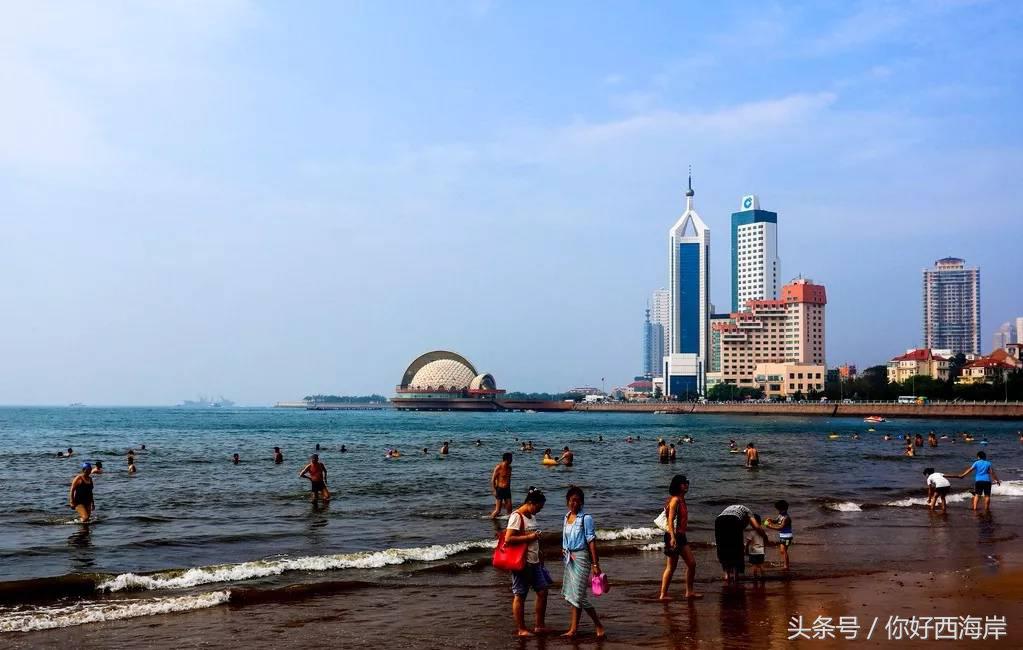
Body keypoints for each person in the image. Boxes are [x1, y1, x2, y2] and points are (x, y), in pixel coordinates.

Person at [560, 486, 605, 639]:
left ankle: (598, 625)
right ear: (567, 502)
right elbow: (565, 538)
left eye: (578, 501)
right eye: (572, 501)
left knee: (579, 596)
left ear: (582, 503)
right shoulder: (566, 517)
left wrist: (595, 564)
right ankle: (573, 629)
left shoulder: (586, 518)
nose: (575, 504)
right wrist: (564, 549)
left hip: (582, 558)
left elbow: (591, 541)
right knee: (573, 596)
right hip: (569, 558)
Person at [505, 487, 550, 637]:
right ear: (530, 502)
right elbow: (508, 539)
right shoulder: (516, 516)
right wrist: (530, 538)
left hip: (535, 562)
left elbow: (533, 537)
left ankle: (539, 626)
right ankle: (521, 629)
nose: (539, 510)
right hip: (521, 563)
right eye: (538, 507)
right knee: (520, 595)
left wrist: (540, 553)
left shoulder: (531, 515)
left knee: (543, 591)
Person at [658, 474, 701, 600]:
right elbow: (670, 520)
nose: (686, 485)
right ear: (678, 486)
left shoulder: (682, 499)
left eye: (687, 482)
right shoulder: (675, 500)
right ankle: (663, 594)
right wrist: (672, 538)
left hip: (681, 536)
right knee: (671, 567)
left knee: (692, 564)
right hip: (674, 536)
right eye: (683, 483)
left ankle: (689, 592)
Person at [714, 504, 764, 583]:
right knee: (737, 549)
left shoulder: (734, 508)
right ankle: (735, 576)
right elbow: (757, 527)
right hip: (734, 520)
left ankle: (726, 575)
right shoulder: (749, 512)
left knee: (723, 548)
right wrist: (765, 537)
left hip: (718, 520)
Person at [764, 500, 794, 569]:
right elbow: (776, 521)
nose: (778, 511)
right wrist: (771, 520)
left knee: (784, 550)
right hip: (783, 536)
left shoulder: (786, 518)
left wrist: (770, 527)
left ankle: (786, 566)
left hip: (787, 537)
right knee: (782, 551)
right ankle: (785, 563)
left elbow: (780, 528)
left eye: (779, 509)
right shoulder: (780, 515)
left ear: (784, 509)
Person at [490, 453, 514, 519]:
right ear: (507, 459)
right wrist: (494, 490)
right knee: (498, 510)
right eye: (511, 458)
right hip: (500, 489)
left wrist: (509, 489)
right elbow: (493, 480)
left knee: (509, 510)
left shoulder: (510, 468)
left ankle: (509, 525)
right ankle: (492, 520)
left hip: (507, 490)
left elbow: (509, 480)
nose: (512, 460)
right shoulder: (499, 467)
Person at [746, 514, 768, 581]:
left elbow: (748, 542)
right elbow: (765, 541)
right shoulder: (762, 531)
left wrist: (746, 548)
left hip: (753, 551)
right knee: (761, 565)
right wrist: (764, 549)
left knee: (754, 565)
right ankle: (763, 576)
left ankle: (755, 577)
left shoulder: (752, 532)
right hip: (761, 550)